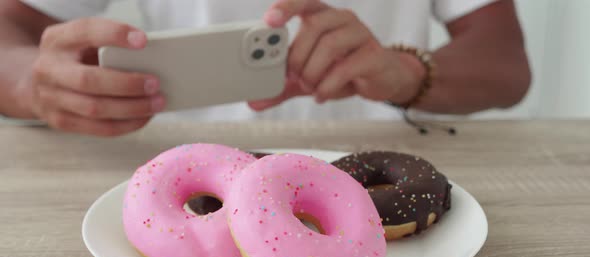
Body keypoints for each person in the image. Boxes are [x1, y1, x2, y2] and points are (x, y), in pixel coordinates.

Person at [0, 0, 531, 136]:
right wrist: (35, 84)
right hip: (170, 157)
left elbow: (505, 59)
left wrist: (408, 73)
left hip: (378, 163)